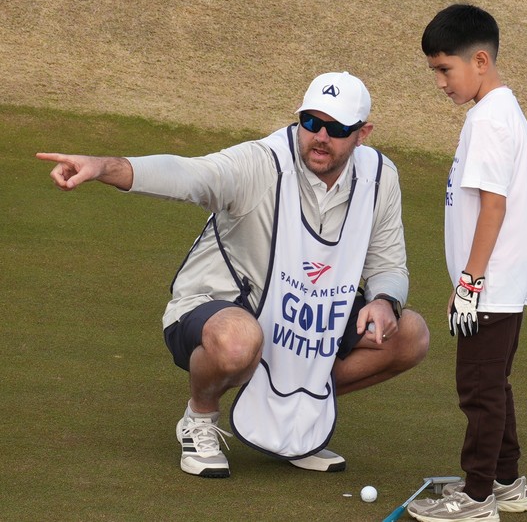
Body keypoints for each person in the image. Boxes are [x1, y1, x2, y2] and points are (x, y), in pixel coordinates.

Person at [37, 71, 430, 479]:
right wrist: (105, 166)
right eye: (310, 122)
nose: (319, 136)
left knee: (409, 335)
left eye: (336, 128)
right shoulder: (262, 163)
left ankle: (292, 413)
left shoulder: (380, 178)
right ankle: (199, 419)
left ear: (362, 133)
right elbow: (190, 176)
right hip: (217, 307)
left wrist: (384, 299)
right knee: (238, 341)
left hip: (306, 320)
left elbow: (388, 264)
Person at [407, 4, 527, 522]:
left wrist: (470, 282)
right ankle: (507, 483)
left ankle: (478, 498)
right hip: (500, 282)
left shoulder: (489, 120)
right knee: (492, 385)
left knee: (478, 392)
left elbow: (493, 206)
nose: (440, 82)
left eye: (445, 69)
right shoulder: (500, 112)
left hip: (491, 283)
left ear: (479, 60)